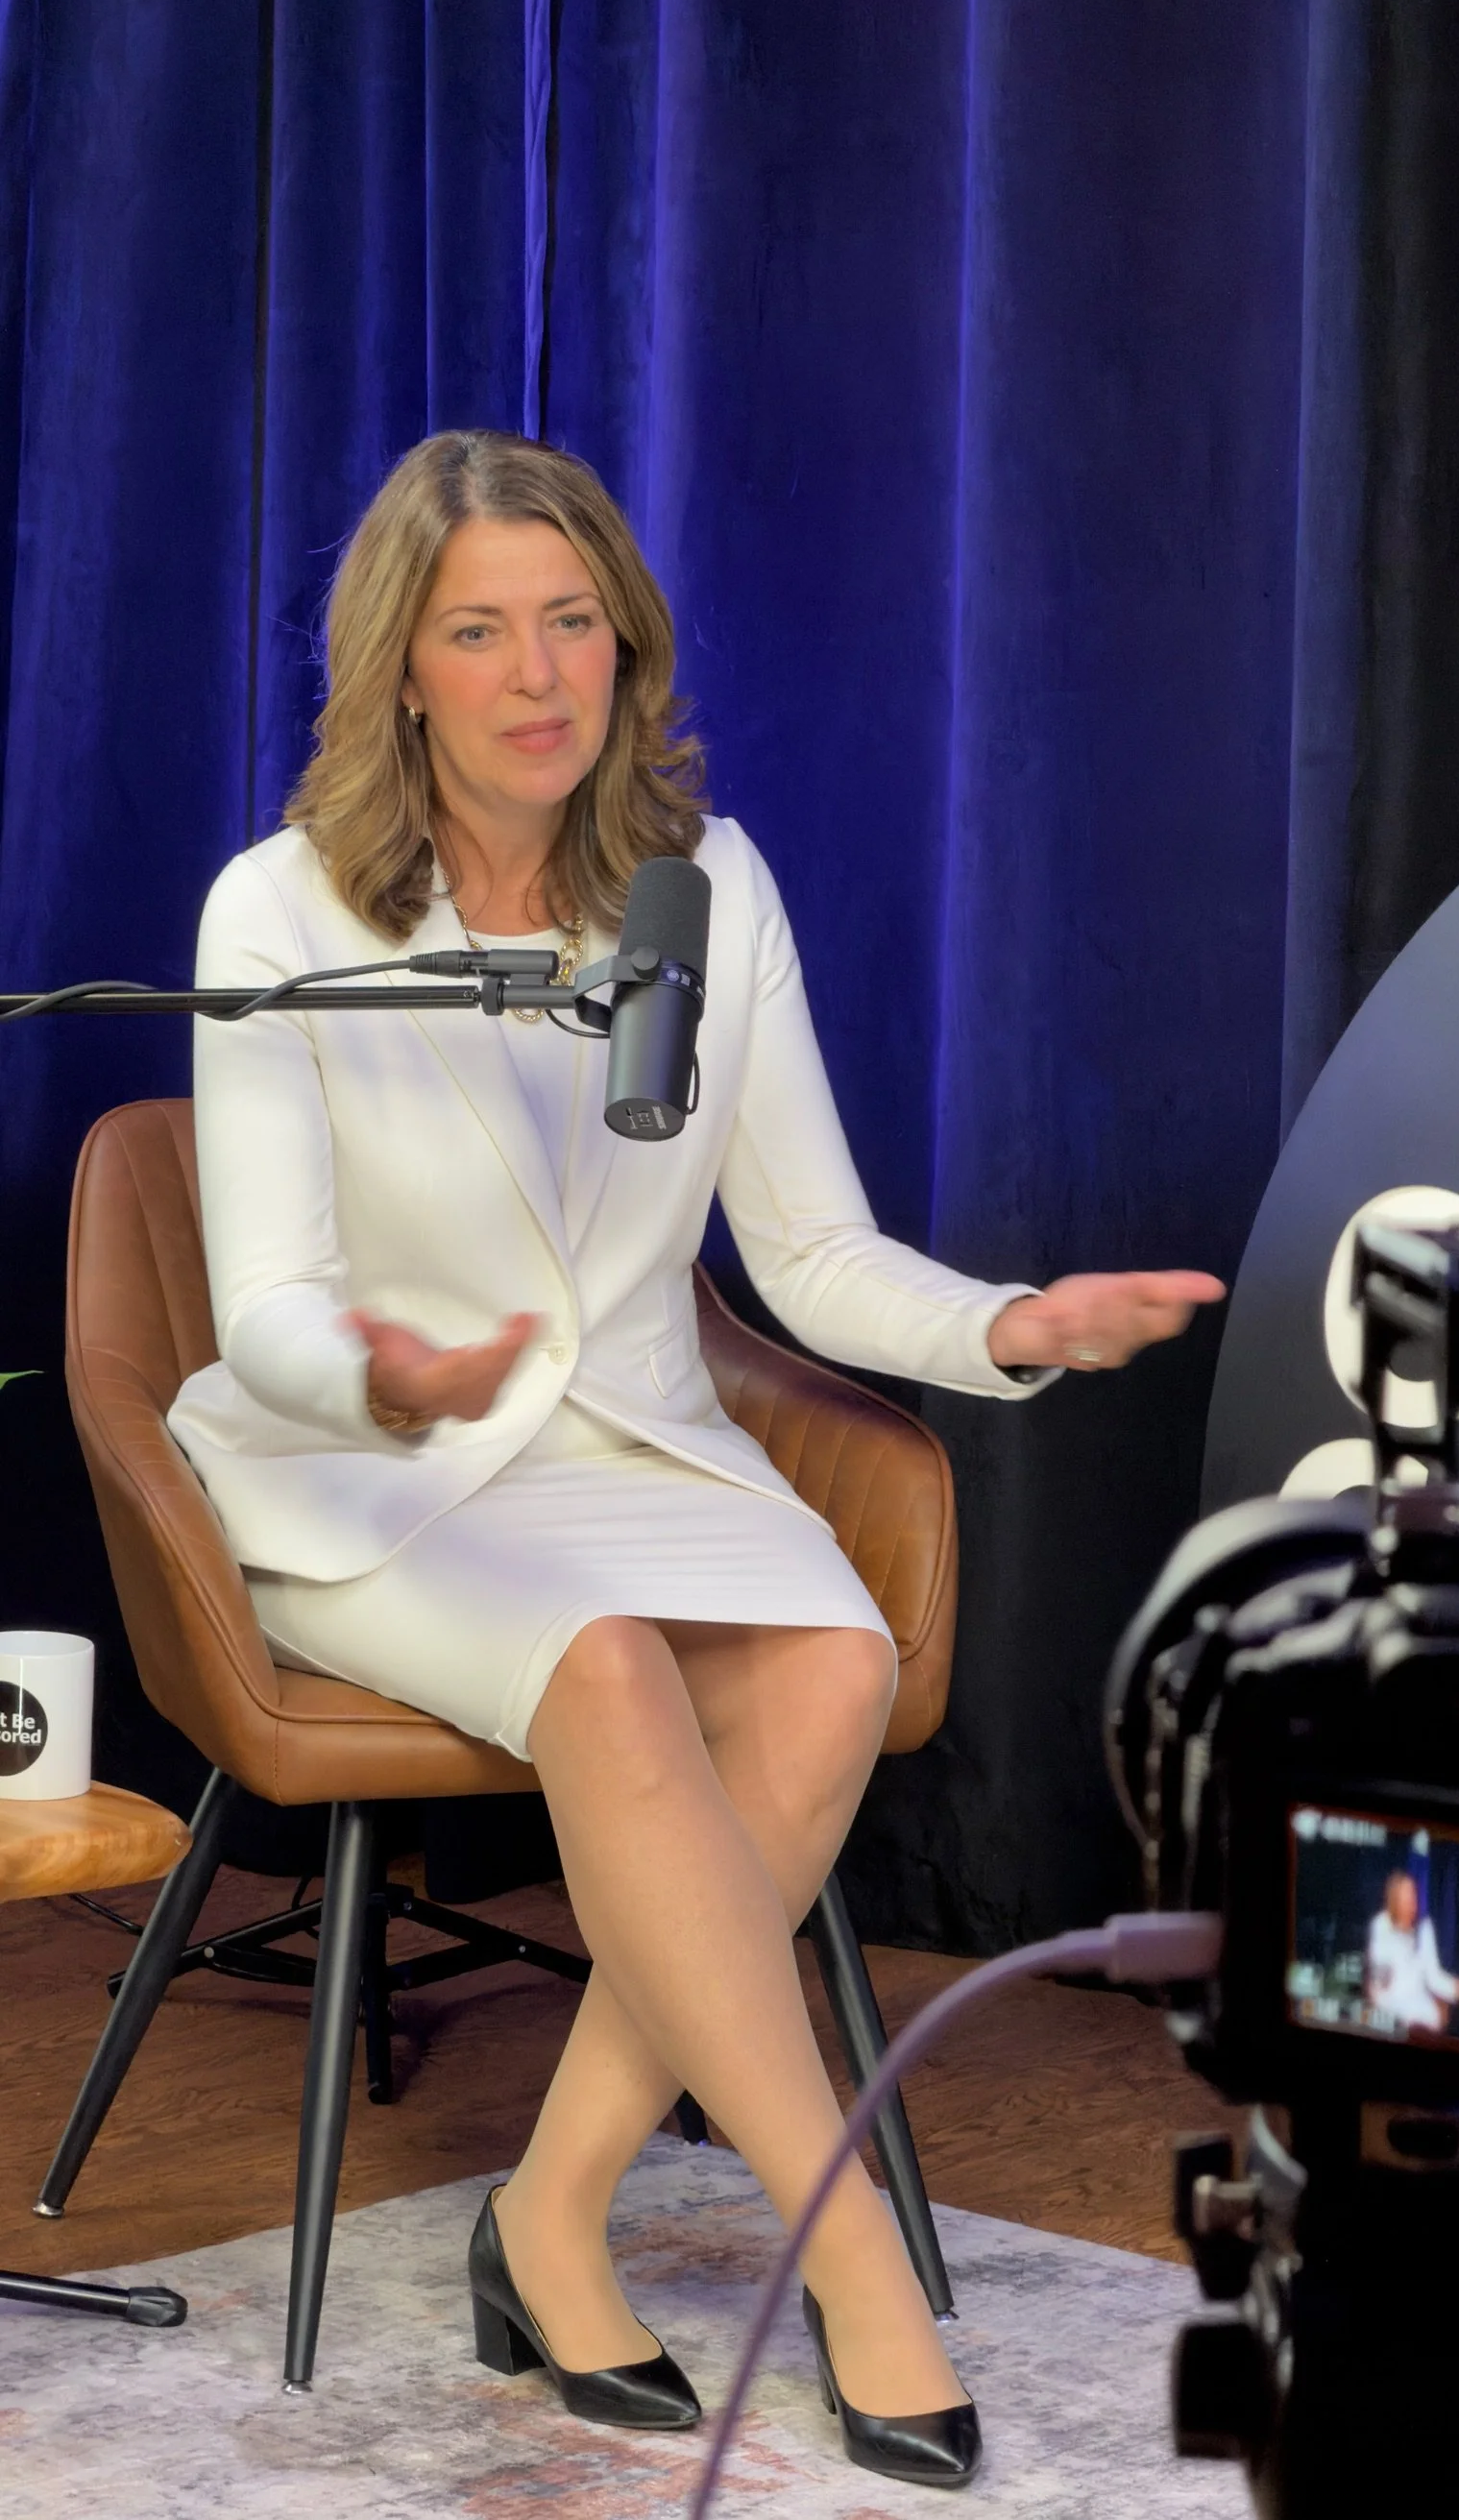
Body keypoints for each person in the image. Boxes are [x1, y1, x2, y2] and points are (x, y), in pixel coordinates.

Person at [169, 429, 1224, 2489]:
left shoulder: (703, 886)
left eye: (575, 621)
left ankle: (551, 2216)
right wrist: (379, 1366)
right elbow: (268, 1300)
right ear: (405, 667)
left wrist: (1010, 1329)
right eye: (482, 629)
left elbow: (811, 1255)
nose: (539, 671)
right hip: (372, 1471)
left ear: (625, 645)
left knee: (829, 1662)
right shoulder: (277, 907)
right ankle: (857, 2276)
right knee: (611, 1670)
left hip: (629, 1446)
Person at [1365, 1868, 1459, 2040]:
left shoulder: (1424, 1928)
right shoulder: (1381, 1925)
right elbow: (1379, 1990)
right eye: (1406, 1895)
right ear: (1394, 1899)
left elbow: (1436, 1980)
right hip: (1394, 2018)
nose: (1412, 1901)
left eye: (1414, 1893)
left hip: (1426, 2019)